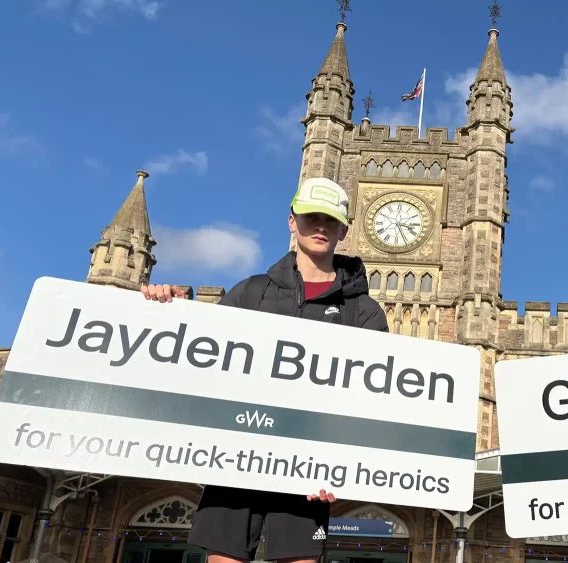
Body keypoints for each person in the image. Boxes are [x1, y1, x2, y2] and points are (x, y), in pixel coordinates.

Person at [140, 177, 389, 563]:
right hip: (237, 457)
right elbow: (198, 359)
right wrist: (168, 312)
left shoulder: (364, 313)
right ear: (293, 221)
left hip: (309, 470)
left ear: (345, 229)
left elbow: (369, 401)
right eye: (311, 217)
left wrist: (346, 468)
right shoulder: (251, 292)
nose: (320, 226)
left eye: (330, 219)